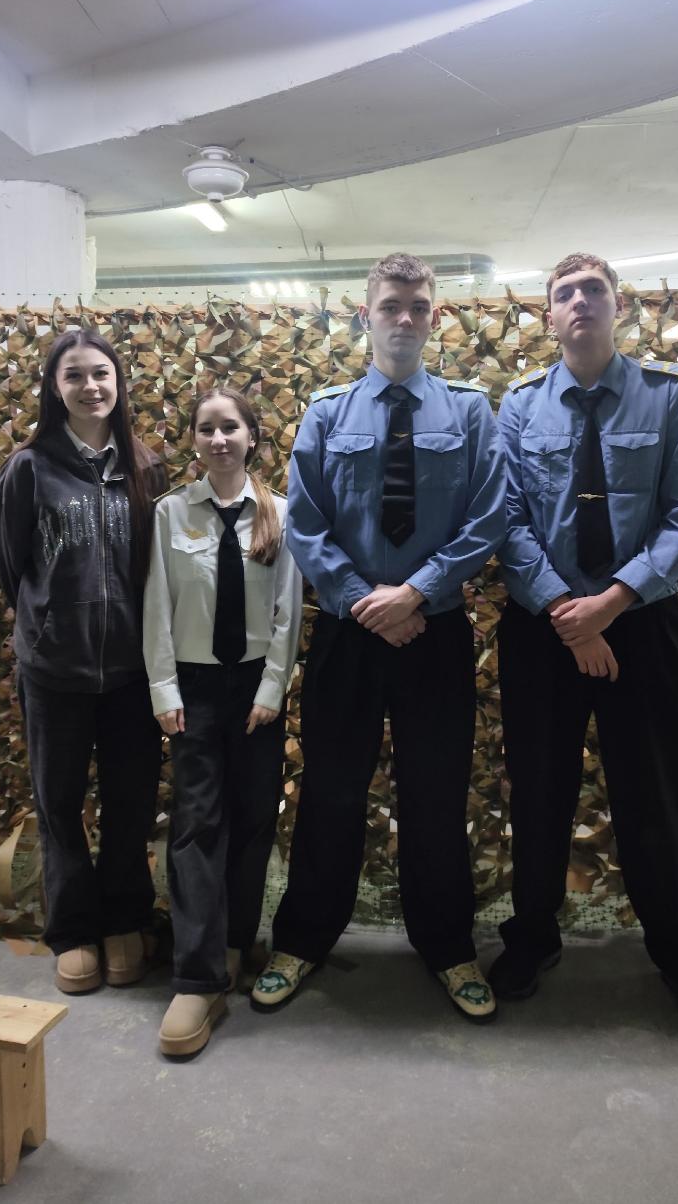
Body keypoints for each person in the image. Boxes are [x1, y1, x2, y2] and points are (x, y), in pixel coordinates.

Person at [251, 252, 507, 1023]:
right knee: (330, 792)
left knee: (436, 795)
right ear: (365, 316)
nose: (404, 318)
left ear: (434, 317)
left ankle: (449, 946)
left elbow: (489, 515)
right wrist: (367, 601)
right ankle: (302, 940)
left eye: (417, 306)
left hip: (434, 630)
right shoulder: (328, 413)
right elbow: (306, 523)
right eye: (390, 305)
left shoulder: (468, 412)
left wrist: (416, 593)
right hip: (349, 632)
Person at [491, 252, 678, 1036]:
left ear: (617, 307)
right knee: (539, 791)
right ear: (549, 316)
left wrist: (612, 602)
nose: (581, 302)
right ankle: (532, 939)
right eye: (565, 293)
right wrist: (569, 611)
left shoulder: (667, 397)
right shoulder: (521, 406)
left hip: (642, 619)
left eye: (594, 290)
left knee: (658, 796)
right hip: (545, 625)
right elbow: (506, 519)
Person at [0, 329, 166, 996]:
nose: (91, 386)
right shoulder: (29, 468)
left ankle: (125, 919)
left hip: (131, 672)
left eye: (101, 373)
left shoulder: (146, 467)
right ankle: (71, 930)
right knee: (59, 805)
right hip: (53, 673)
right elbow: (12, 569)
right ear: (54, 386)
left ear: (118, 382)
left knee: (129, 804)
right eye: (75, 375)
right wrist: (50, 627)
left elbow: (157, 568)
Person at [143, 387, 303, 1058]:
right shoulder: (171, 513)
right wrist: (163, 688)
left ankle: (236, 940)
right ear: (194, 440)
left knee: (255, 817)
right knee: (197, 824)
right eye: (206, 428)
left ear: (251, 437)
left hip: (256, 688)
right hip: (196, 688)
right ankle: (198, 977)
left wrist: (272, 687)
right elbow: (157, 603)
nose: (218, 439)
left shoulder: (279, 513)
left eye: (230, 427)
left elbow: (288, 609)